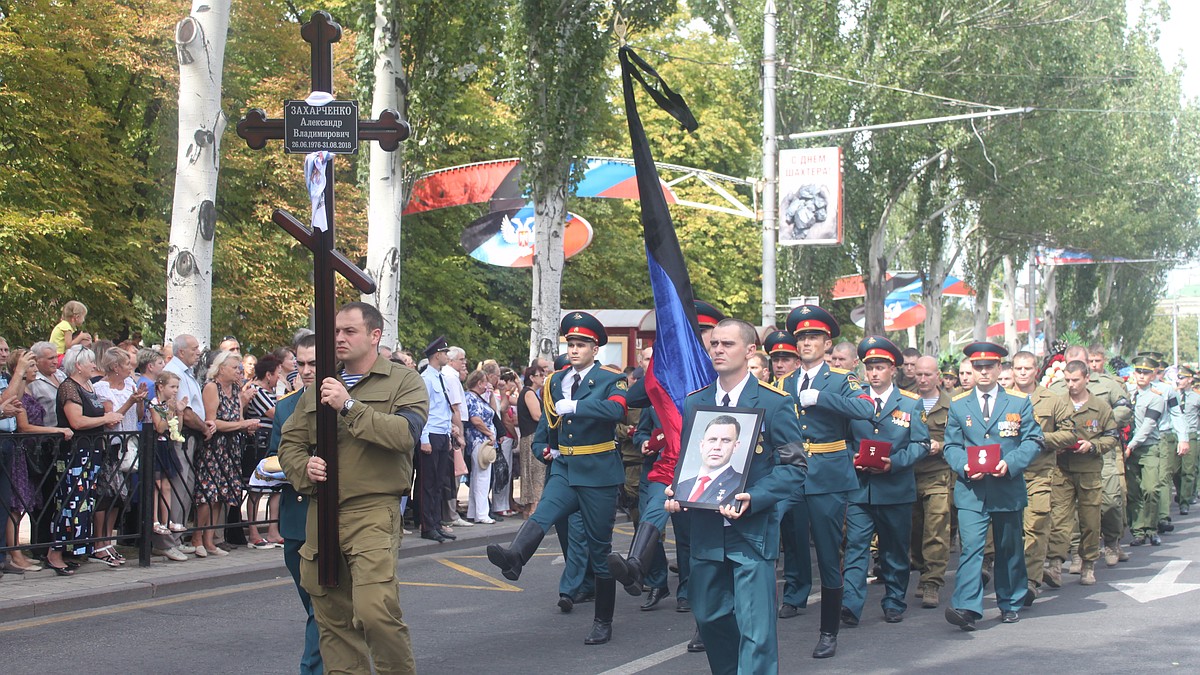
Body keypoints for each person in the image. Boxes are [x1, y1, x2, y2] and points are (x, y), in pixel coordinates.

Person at [277, 301, 428, 675]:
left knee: (376, 610)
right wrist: (303, 468)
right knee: (333, 620)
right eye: (336, 332)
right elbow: (289, 444)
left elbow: (404, 435)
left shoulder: (402, 380)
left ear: (374, 335)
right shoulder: (320, 386)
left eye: (350, 331)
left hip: (372, 510)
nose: (339, 339)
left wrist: (348, 406)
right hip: (321, 510)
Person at [664, 318, 806, 674]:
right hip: (707, 531)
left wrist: (755, 497)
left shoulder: (774, 403)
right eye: (714, 344)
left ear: (750, 351)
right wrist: (678, 490)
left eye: (728, 344)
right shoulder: (697, 402)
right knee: (710, 617)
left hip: (752, 533)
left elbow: (794, 467)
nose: (718, 350)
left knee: (756, 630)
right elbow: (691, 463)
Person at [486, 311, 628, 645]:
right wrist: (542, 451)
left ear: (595, 348)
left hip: (598, 472)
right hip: (564, 469)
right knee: (543, 513)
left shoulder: (610, 379)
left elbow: (617, 411)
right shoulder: (554, 381)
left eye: (581, 344)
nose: (574, 350)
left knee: (599, 549)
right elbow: (549, 428)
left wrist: (578, 408)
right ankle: (514, 558)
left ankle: (603, 620)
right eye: (571, 344)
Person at [777, 304, 875, 659]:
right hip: (790, 473)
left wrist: (823, 398)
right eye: (801, 336)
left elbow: (866, 409)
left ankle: (828, 630)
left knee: (829, 554)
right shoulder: (784, 382)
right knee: (777, 541)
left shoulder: (840, 379)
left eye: (813, 337)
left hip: (828, 475)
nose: (805, 343)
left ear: (826, 342)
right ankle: (782, 601)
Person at [943, 341, 1044, 630]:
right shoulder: (959, 404)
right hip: (972, 488)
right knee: (972, 547)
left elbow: (1033, 440)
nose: (984, 372)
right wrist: (963, 464)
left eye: (989, 366)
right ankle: (966, 607)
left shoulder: (1018, 402)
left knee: (1008, 546)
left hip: (1006, 486)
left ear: (1000, 368)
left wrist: (1010, 463)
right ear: (972, 370)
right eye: (978, 367)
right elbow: (951, 445)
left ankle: (1011, 601)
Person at [841, 336, 929, 626]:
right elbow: (843, 439)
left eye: (880, 367)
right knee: (855, 549)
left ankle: (894, 600)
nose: (874, 373)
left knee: (894, 549)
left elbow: (921, 444)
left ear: (894, 370)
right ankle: (850, 605)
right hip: (861, 489)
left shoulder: (910, 403)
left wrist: (896, 463)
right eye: (870, 367)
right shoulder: (854, 401)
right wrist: (852, 456)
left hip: (895, 488)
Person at [267, 333, 322, 675]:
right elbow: (274, 456)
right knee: (313, 606)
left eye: (313, 363)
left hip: (329, 517)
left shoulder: (342, 400)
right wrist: (298, 466)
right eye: (300, 363)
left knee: (322, 608)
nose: (305, 370)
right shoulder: (287, 405)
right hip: (295, 517)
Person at [47, 345, 123, 575]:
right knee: (70, 503)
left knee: (84, 503)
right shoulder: (69, 388)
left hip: (91, 453)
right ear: (78, 365)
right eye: (90, 362)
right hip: (74, 454)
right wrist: (106, 417)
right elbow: (76, 422)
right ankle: (55, 552)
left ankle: (74, 549)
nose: (94, 365)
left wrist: (107, 417)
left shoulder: (87, 386)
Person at [1009, 350, 1075, 602]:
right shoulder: (1003, 399)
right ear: (1012, 370)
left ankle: (1030, 580)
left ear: (1036, 370)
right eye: (1018, 369)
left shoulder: (1053, 400)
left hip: (1040, 474)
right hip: (1008, 474)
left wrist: (1043, 439)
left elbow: (1070, 433)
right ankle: (1012, 578)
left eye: (1027, 368)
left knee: (1036, 527)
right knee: (1011, 531)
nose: (1023, 373)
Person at [1048, 360, 1119, 586]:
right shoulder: (1058, 404)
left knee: (1090, 521)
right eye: (1067, 380)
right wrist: (1055, 444)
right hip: (1063, 469)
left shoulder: (1100, 407)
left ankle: (1088, 565)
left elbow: (1112, 436)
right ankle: (1055, 565)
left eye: (1076, 380)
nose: (1071, 385)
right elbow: (1046, 432)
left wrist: (1094, 445)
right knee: (1059, 520)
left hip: (1089, 470)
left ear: (1087, 378)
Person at [8, 348, 71, 572]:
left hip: (33, 452)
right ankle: (15, 554)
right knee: (16, 504)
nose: (35, 370)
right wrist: (55, 431)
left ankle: (18, 552)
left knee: (25, 503)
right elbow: (24, 427)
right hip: (22, 451)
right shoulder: (19, 393)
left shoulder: (29, 392)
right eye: (32, 366)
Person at [191, 350, 256, 558]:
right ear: (221, 369)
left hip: (231, 448)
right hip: (214, 448)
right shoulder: (212, 387)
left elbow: (237, 418)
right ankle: (197, 538)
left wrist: (246, 426)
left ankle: (210, 540)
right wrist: (241, 424)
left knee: (221, 495)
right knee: (208, 495)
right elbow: (213, 422)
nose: (238, 372)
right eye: (234, 368)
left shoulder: (235, 390)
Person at [92, 347, 146, 566]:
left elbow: (139, 416)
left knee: (120, 497)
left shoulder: (131, 385)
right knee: (107, 495)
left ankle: (109, 541)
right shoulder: (101, 388)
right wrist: (131, 401)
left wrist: (140, 400)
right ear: (115, 367)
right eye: (126, 364)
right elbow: (111, 418)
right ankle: (99, 543)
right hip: (111, 445)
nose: (130, 368)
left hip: (129, 444)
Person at [909, 355, 953, 609]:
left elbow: (963, 439)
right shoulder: (906, 402)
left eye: (928, 374)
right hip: (909, 474)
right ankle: (921, 569)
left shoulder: (952, 405)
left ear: (938, 376)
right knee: (915, 530)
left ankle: (932, 582)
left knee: (936, 529)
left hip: (938, 474)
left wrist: (942, 445)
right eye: (919, 374)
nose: (923, 379)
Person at [416, 337, 457, 543]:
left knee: (439, 482)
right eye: (444, 353)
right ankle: (427, 525)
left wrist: (448, 435)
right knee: (428, 483)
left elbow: (444, 411)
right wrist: (424, 439)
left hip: (441, 434)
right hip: (430, 434)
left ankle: (436, 522)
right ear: (436, 355)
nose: (447, 356)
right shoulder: (426, 379)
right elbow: (423, 410)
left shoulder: (440, 377)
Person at [1125, 355, 1167, 547]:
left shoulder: (1156, 398)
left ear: (1153, 375)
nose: (1141, 375)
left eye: (1146, 372)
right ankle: (1138, 531)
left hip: (1148, 447)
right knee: (1133, 492)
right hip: (1129, 450)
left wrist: (1131, 444)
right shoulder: (1127, 393)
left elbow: (1148, 426)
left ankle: (1151, 528)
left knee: (1150, 489)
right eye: (1139, 371)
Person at [244, 354, 283, 548]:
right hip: (258, 445)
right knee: (256, 489)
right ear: (268, 374)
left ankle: (273, 531)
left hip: (272, 443)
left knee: (276, 487)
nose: (279, 378)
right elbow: (277, 414)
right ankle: (253, 533)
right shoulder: (257, 391)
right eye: (277, 374)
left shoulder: (273, 392)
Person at [147, 370, 186, 552]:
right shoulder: (154, 404)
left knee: (167, 486)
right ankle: (155, 519)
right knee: (156, 485)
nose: (175, 390)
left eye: (177, 387)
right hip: (156, 446)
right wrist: (169, 411)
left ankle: (167, 519)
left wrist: (179, 412)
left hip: (168, 446)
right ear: (161, 387)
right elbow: (160, 428)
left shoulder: (169, 405)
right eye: (172, 386)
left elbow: (177, 428)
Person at [676, 415, 745, 506]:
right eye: (712, 440)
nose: (717, 447)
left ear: (735, 446)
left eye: (725, 441)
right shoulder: (681, 486)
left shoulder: (740, 484)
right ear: (702, 445)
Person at [464, 369, 497, 524]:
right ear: (479, 383)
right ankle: (482, 513)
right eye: (485, 381)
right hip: (480, 441)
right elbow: (476, 419)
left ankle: (474, 511)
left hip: (480, 440)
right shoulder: (471, 398)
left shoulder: (478, 397)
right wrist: (489, 433)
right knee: (482, 477)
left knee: (477, 477)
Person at [516, 365, 546, 516]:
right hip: (533, 436)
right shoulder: (529, 393)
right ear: (532, 378)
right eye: (539, 375)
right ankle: (534, 508)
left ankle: (529, 508)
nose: (543, 377)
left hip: (528, 436)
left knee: (530, 471)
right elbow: (537, 416)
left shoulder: (528, 393)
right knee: (536, 471)